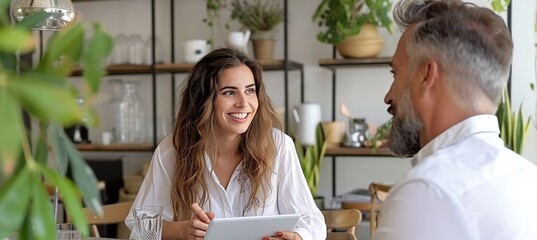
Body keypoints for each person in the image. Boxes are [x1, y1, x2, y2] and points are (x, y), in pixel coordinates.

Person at [125, 48, 326, 240]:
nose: (244, 103)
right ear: (204, 99)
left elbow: (313, 221)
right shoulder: (172, 151)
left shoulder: (279, 145)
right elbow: (140, 229)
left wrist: (299, 236)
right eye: (229, 92)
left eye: (250, 91)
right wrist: (182, 230)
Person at [377, 0, 537, 239]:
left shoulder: (427, 192)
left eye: (396, 73)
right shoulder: (528, 178)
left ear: (426, 75)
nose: (388, 96)